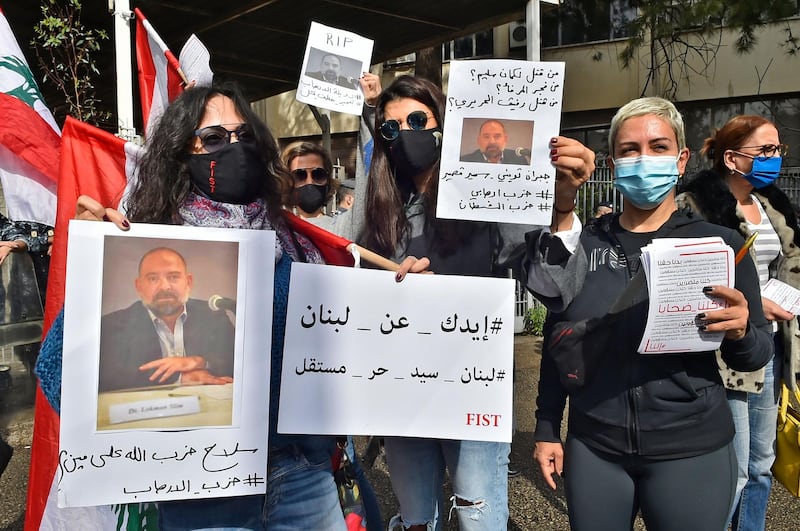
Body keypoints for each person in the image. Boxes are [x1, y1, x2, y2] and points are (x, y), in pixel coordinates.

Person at [67, 81, 427, 530]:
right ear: (182, 153)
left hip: (302, 475)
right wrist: (89, 266)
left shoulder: (295, 242)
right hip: (203, 492)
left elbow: (338, 341)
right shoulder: (149, 236)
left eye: (245, 136)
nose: (233, 148)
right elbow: (59, 372)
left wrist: (409, 295)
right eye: (214, 139)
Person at [362, 74, 594, 531]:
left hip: (471, 390)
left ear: (443, 124)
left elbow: (555, 287)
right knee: (415, 519)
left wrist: (562, 209)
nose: (404, 134)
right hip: (402, 392)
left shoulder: (487, 201)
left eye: (416, 119)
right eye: (390, 128)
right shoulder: (378, 210)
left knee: (479, 514)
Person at [528, 97, 772, 531]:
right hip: (595, 447)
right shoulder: (582, 243)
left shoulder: (722, 245)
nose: (644, 159)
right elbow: (558, 337)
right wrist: (547, 426)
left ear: (681, 160)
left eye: (659, 148)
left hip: (692, 448)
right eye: (629, 150)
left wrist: (740, 333)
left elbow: (754, 356)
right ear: (612, 162)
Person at [676, 115, 798, 531]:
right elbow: (691, 277)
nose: (775, 159)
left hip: (768, 344)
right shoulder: (696, 205)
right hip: (725, 346)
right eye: (765, 150)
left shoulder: (770, 204)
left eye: (777, 149)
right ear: (731, 157)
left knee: (762, 463)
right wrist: (755, 301)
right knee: (735, 466)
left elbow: (787, 263)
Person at [98, 246, 235, 392]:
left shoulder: (213, 315)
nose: (164, 286)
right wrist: (179, 379)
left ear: (188, 282)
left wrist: (200, 362)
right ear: (139, 287)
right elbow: (107, 376)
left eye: (173, 277)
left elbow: (237, 360)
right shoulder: (112, 325)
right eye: (153, 278)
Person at [282, 141, 338, 223]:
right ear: (288, 182)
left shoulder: (342, 228)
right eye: (299, 175)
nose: (309, 182)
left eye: (318, 174)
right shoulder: (278, 232)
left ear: (328, 180)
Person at [460, 119, 528, 164]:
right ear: (479, 141)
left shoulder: (519, 160)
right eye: (486, 137)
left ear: (505, 139)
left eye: (497, 136)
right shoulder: (464, 161)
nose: (492, 141)